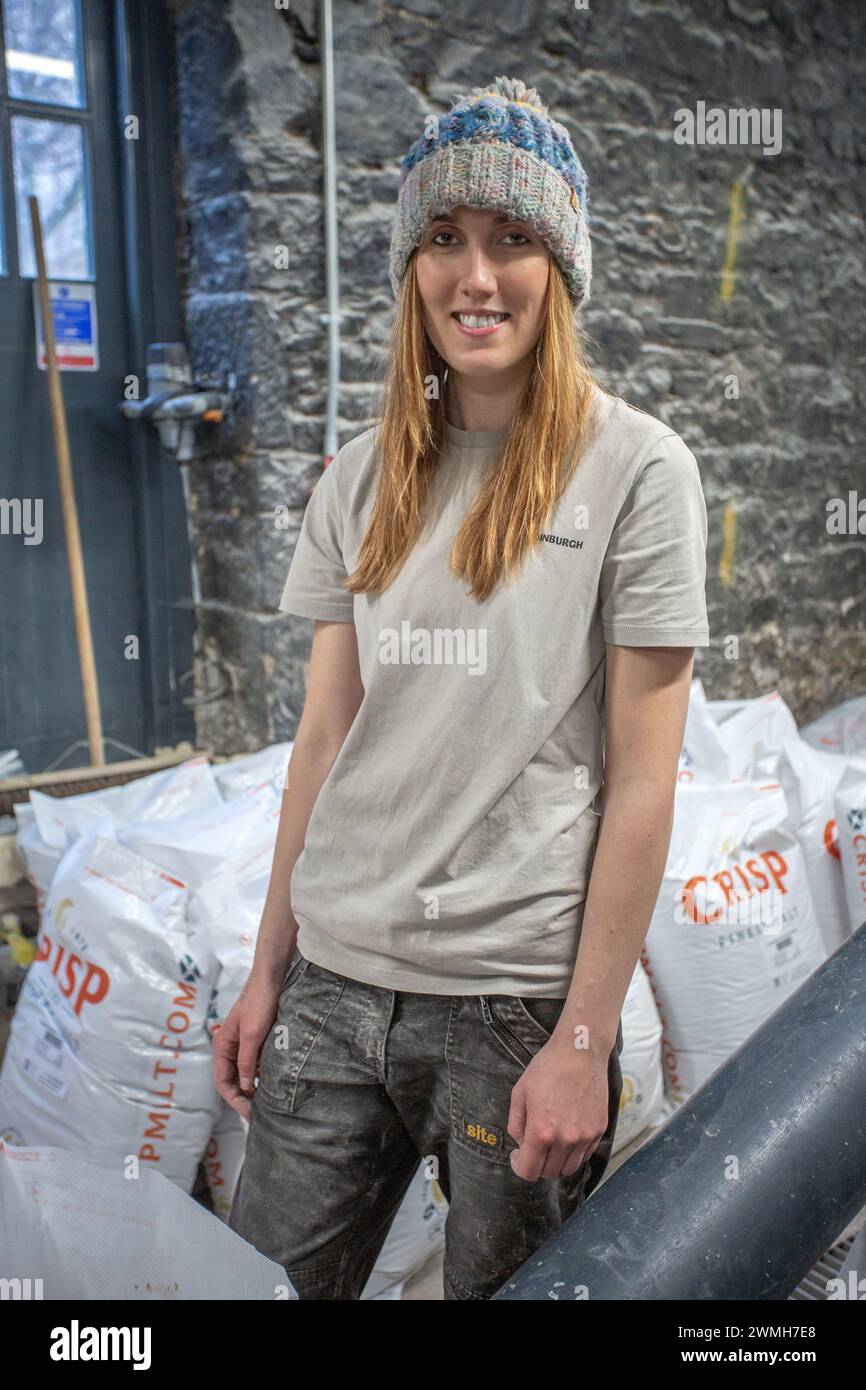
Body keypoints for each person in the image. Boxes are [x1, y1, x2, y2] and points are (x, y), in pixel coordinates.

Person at [215, 75, 711, 1301]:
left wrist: (582, 1040)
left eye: (512, 240)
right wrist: (266, 969)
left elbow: (645, 781)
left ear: (561, 265)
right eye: (443, 239)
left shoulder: (638, 471)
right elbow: (323, 739)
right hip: (332, 990)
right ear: (409, 264)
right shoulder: (357, 478)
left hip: (510, 1011)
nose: (473, 276)